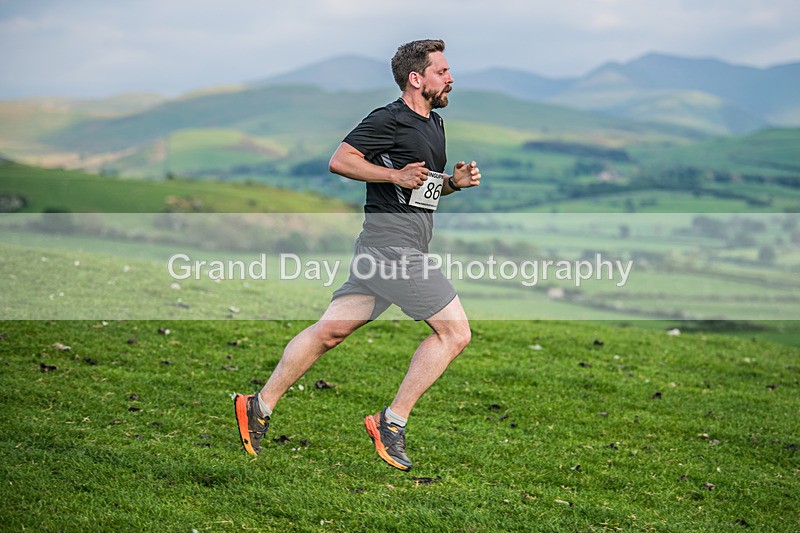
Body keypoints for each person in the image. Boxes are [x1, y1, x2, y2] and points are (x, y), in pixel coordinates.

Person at [234, 39, 481, 471]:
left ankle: (258, 405)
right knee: (455, 334)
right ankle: (392, 421)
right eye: (442, 71)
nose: (451, 78)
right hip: (392, 246)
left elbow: (415, 185)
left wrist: (451, 184)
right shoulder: (389, 118)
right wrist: (391, 173)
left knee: (330, 332)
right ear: (416, 78)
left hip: (389, 244)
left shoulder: (434, 124)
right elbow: (340, 160)